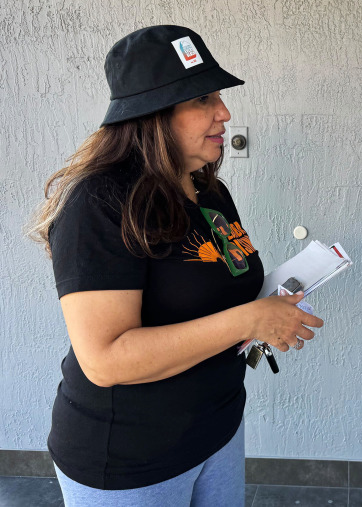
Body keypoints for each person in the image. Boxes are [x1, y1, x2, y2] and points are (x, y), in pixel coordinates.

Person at [27, 25, 323, 506]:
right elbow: (104, 359)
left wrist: (267, 310)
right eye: (203, 99)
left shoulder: (208, 189)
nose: (224, 113)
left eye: (219, 97)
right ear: (151, 115)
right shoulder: (98, 204)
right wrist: (248, 319)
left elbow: (213, 293)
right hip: (130, 459)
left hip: (217, 427)